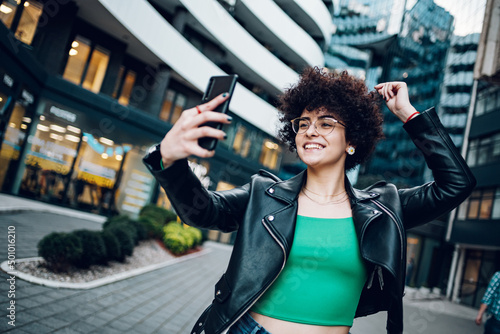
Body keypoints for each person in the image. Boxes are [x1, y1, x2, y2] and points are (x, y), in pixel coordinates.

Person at [143, 67, 476, 334]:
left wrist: (409, 115)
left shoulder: (383, 209)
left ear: (352, 141)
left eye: (326, 123)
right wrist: (169, 161)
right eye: (303, 123)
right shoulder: (264, 194)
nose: (310, 131)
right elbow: (202, 213)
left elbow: (456, 184)